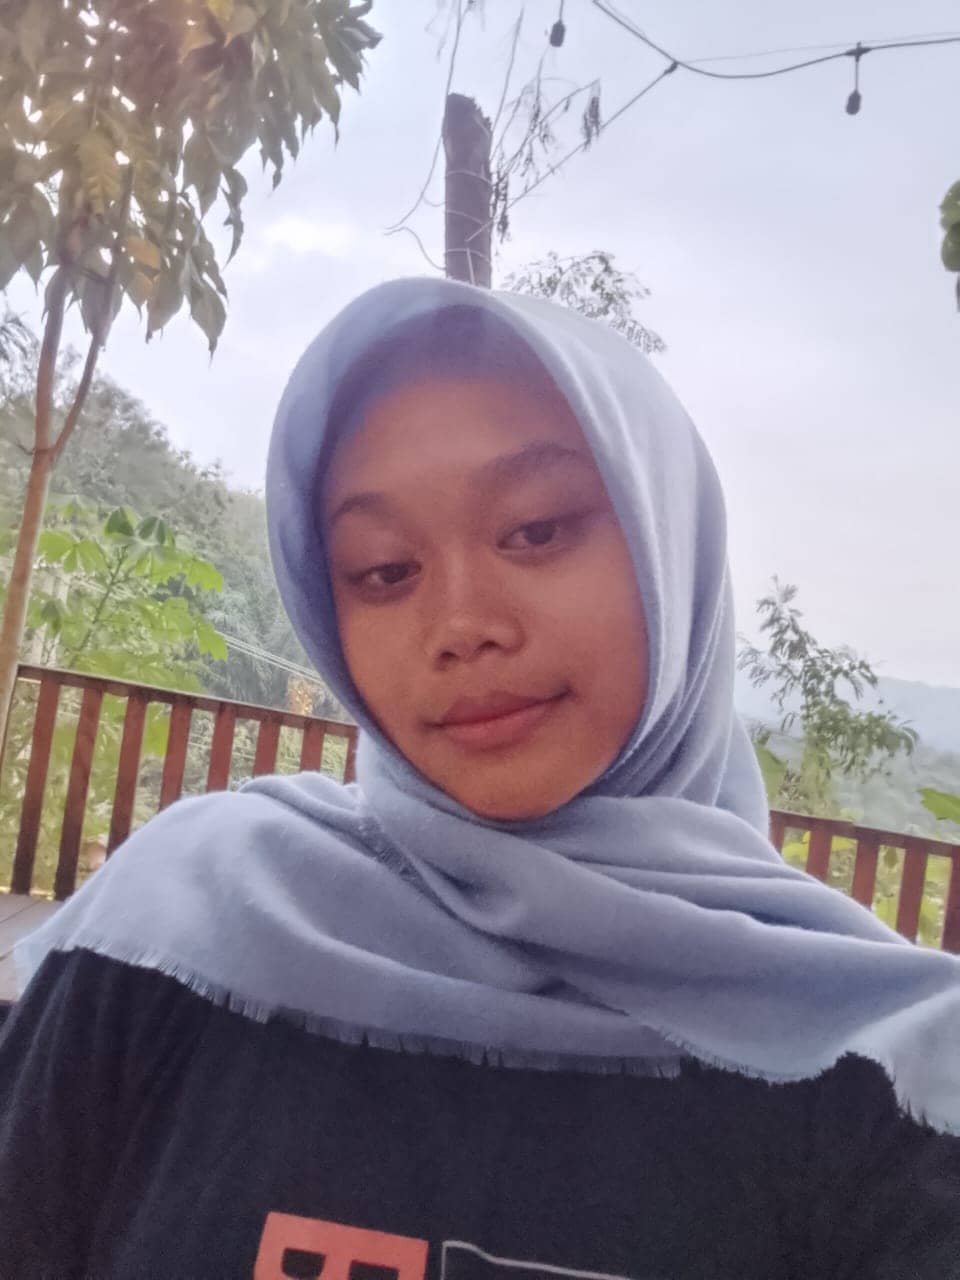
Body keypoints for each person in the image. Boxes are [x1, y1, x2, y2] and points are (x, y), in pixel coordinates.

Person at [1, 278, 959, 1279]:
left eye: (536, 530)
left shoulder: (893, 1075)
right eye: (385, 570)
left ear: (670, 547)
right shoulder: (179, 929)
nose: (462, 626)